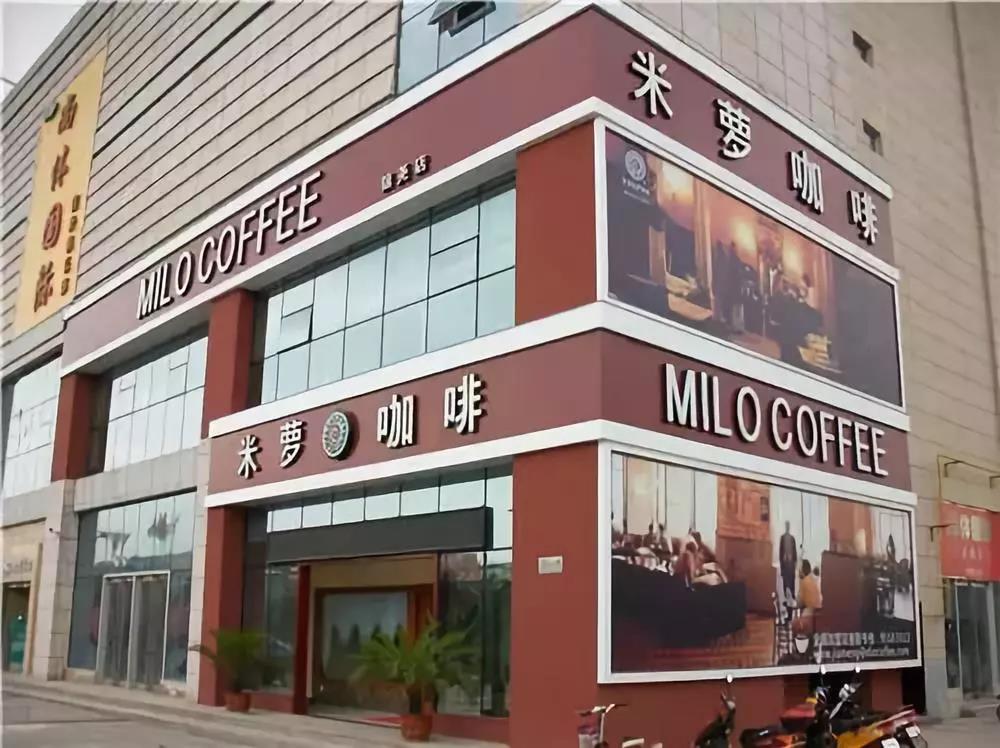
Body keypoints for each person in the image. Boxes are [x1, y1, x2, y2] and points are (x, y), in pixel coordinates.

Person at [779, 521, 798, 601]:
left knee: (792, 578)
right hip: (785, 562)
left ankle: (792, 594)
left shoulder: (792, 538)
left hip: (791, 562)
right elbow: (780, 551)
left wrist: (795, 561)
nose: (787, 527)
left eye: (788, 526)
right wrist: (781, 562)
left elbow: (795, 550)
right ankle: (786, 595)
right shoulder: (782, 538)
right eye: (787, 526)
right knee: (785, 578)